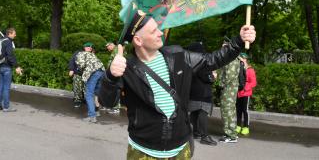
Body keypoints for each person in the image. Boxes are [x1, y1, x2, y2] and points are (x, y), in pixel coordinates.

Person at [99, 9, 256, 159]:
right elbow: (107, 102)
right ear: (138, 40)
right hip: (143, 150)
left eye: (158, 28)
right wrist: (111, 77)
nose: (160, 33)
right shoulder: (126, 67)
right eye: (154, 31)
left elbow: (211, 60)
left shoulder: (178, 56)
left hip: (180, 148)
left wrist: (239, 41)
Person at [187, 42, 217, 146]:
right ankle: (204, 136)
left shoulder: (189, 61)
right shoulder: (202, 62)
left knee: (194, 113)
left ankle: (194, 132)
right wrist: (213, 76)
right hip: (203, 93)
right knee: (203, 113)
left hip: (193, 91)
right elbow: (207, 78)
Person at [76, 42, 105, 123]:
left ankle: (92, 116)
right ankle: (96, 111)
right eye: (88, 47)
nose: (89, 48)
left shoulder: (81, 54)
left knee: (89, 94)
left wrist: (81, 71)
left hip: (93, 73)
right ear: (84, 47)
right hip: (101, 72)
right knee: (96, 93)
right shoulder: (93, 55)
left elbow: (80, 65)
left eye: (90, 47)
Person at [217, 41, 240, 143]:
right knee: (229, 111)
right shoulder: (230, 59)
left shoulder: (231, 59)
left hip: (229, 89)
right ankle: (231, 133)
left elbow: (229, 76)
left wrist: (221, 84)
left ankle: (231, 135)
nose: (222, 50)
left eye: (223, 48)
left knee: (227, 111)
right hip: (229, 89)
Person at [0, 28, 23, 112]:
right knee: (6, 88)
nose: (15, 35)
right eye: (14, 33)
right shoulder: (8, 42)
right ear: (9, 33)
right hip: (7, 67)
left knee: (1, 86)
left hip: (0, 66)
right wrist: (17, 66)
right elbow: (10, 55)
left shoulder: (1, 41)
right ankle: (6, 107)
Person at [236, 53, 257, 136]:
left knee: (245, 110)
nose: (239, 61)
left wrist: (246, 87)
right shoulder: (238, 69)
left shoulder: (250, 70)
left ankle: (246, 127)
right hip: (238, 93)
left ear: (245, 60)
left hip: (246, 93)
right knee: (238, 111)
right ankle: (238, 126)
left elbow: (254, 82)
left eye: (240, 59)